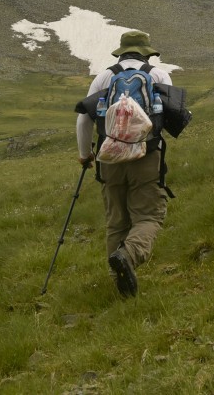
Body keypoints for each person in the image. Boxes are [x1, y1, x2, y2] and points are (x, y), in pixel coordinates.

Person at [76, 30, 174, 299]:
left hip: (109, 157)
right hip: (146, 154)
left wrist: (85, 154)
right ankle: (128, 256)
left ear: (121, 52)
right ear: (147, 52)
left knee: (116, 222)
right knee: (149, 216)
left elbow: (83, 119)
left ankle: (119, 287)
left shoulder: (104, 77)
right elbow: (171, 115)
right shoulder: (157, 75)